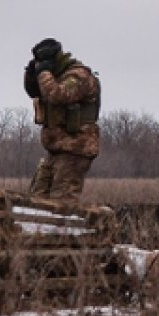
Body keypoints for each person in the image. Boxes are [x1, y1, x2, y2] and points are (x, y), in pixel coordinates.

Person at [24, 38, 102, 203]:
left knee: (61, 205)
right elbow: (34, 92)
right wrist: (32, 74)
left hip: (75, 148)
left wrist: (44, 73)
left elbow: (57, 95)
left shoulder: (79, 76)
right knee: (36, 200)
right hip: (56, 149)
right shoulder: (56, 75)